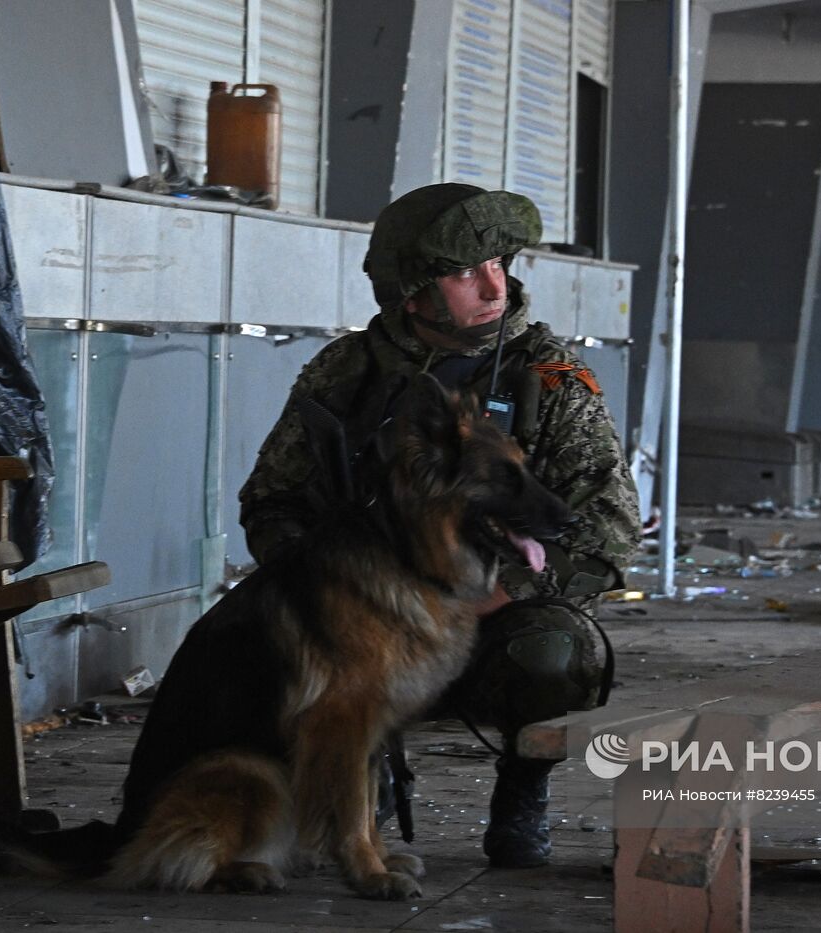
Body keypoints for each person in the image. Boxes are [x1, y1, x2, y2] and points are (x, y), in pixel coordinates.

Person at [238, 183, 641, 868]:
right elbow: (271, 501)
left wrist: (501, 589)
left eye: (499, 263)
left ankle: (522, 791)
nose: (493, 284)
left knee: (555, 653)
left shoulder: (549, 376)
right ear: (413, 293)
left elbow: (609, 525)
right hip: (364, 621)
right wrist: (331, 593)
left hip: (486, 620)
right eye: (464, 271)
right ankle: (331, 788)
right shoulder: (347, 372)